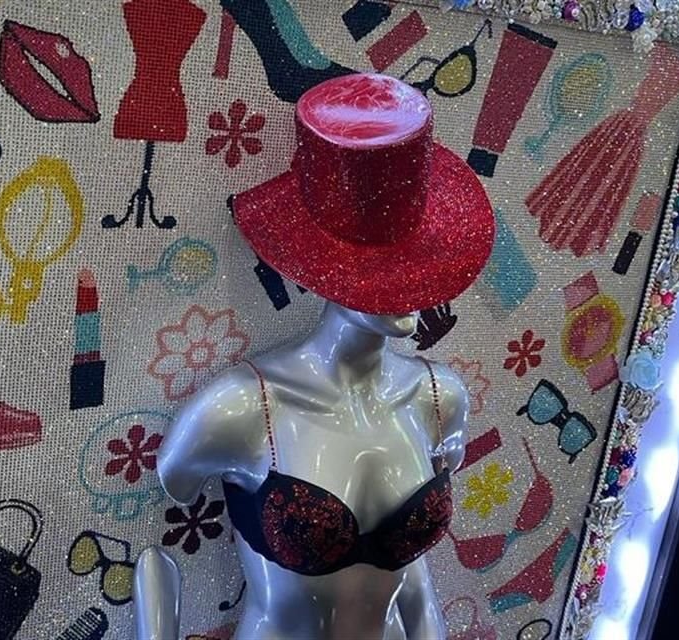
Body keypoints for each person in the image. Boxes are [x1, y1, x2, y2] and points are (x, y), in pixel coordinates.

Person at [156, 73, 495, 639]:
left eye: (414, 262)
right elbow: (177, 482)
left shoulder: (440, 398)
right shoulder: (240, 408)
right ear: (323, 265)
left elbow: (413, 576)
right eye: (379, 268)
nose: (406, 288)